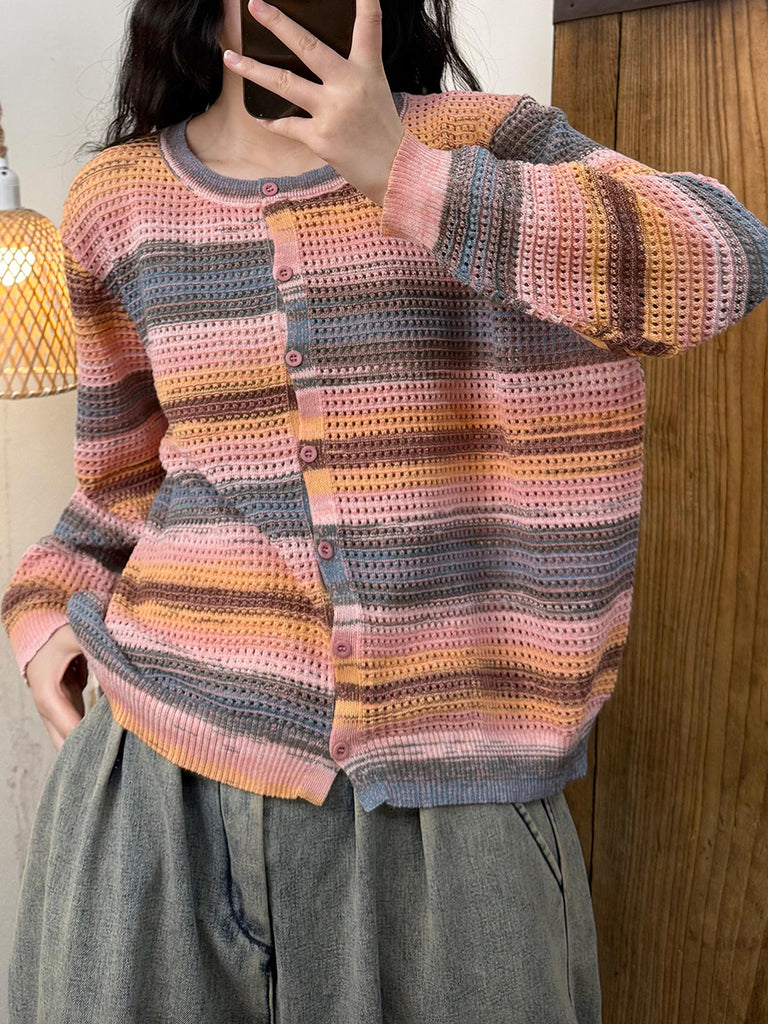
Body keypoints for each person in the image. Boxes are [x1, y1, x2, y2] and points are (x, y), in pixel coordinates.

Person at [3, 0, 768, 1020]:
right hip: (154, 794)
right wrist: (42, 612)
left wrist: (402, 172)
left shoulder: (484, 142)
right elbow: (119, 487)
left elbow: (724, 258)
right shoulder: (118, 201)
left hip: (453, 816)